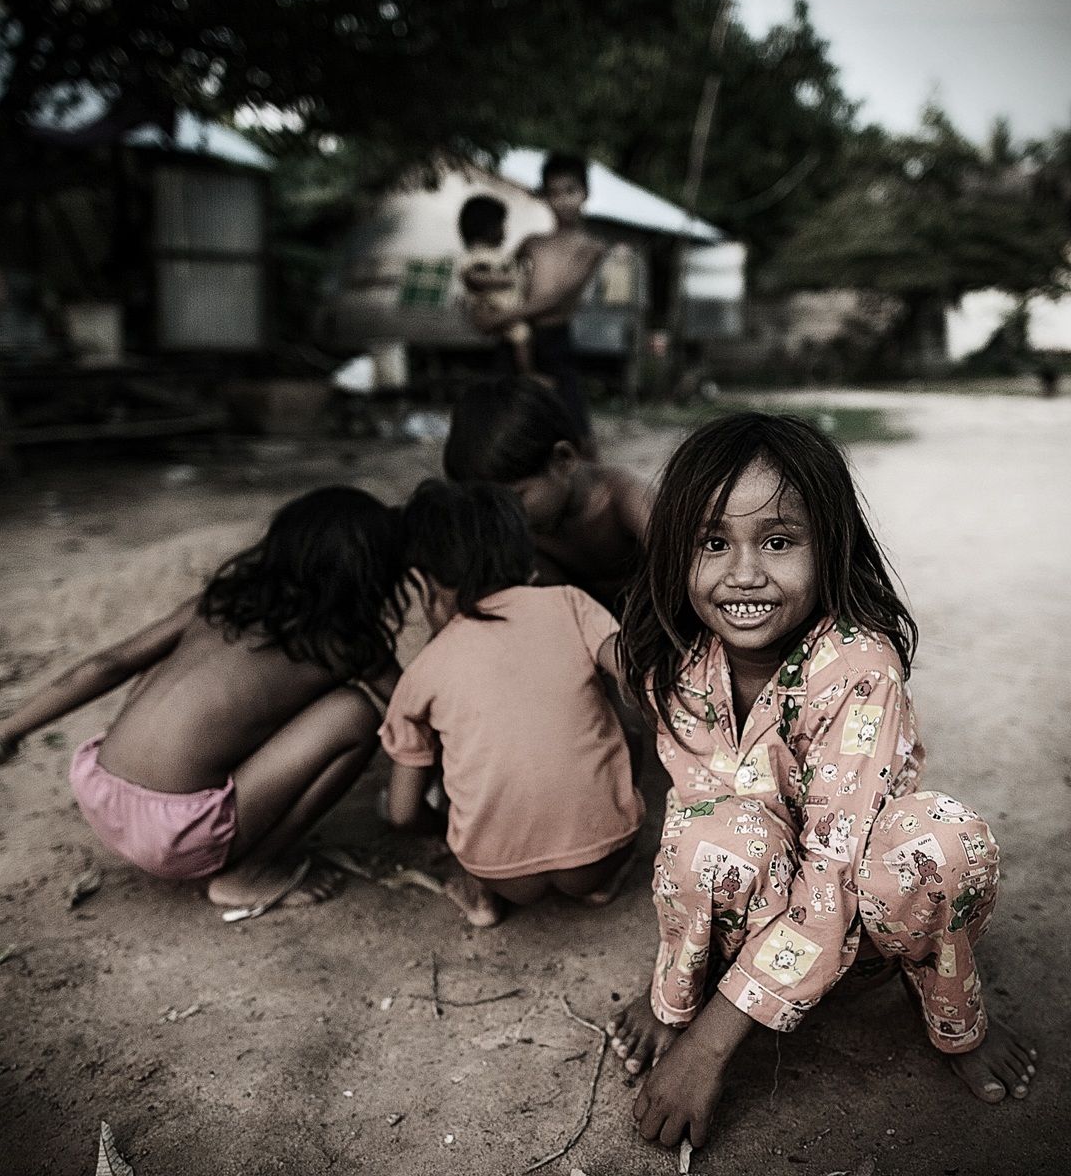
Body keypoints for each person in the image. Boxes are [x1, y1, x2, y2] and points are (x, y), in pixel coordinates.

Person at [606, 412, 1037, 1153]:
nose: (744, 573)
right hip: (760, 906)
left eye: (778, 541)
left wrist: (706, 1050)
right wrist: (677, 1006)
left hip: (864, 921)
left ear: (827, 546)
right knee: (704, 832)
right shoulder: (672, 664)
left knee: (940, 844)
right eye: (714, 542)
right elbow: (693, 828)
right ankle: (679, 995)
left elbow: (833, 874)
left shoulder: (860, 668)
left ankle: (952, 1018)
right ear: (677, 550)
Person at [0, 487, 410, 909]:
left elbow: (107, 664)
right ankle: (248, 873)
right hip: (176, 835)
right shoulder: (349, 643)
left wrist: (0, 735)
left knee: (185, 677)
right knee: (355, 712)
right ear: (369, 577)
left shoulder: (218, 605)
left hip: (100, 793)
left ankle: (201, 817)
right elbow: (412, 708)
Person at [380, 479, 644, 928]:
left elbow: (403, 812)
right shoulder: (569, 603)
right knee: (615, 719)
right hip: (599, 851)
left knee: (457, 763)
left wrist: (448, 837)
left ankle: (480, 896)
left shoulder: (423, 671)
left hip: (498, 870)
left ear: (424, 586)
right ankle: (602, 883)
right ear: (528, 564)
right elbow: (633, 671)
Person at [444, 376, 651, 614]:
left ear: (563, 459)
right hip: (588, 631)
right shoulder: (523, 533)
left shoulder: (622, 496)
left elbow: (684, 560)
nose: (505, 516)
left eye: (516, 498)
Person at [470, 152, 606, 446]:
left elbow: (557, 298)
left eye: (570, 191)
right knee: (504, 427)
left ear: (585, 193)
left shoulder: (591, 247)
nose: (562, 201)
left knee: (578, 434)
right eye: (554, 193)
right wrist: (480, 308)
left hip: (554, 340)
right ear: (545, 196)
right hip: (515, 339)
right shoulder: (533, 243)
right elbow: (497, 275)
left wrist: (502, 317)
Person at [456, 194, 534, 378]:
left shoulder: (497, 254)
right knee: (521, 334)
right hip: (493, 305)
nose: (505, 230)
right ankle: (528, 374)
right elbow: (473, 276)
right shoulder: (477, 255)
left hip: (504, 306)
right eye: (501, 224)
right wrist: (506, 280)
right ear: (487, 228)